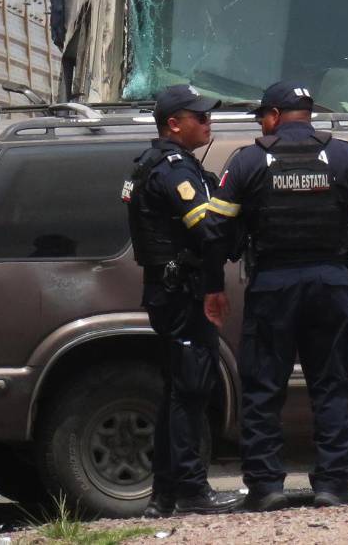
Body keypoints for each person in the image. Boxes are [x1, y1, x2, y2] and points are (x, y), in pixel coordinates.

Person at [202, 81, 348, 511]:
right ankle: (332, 485)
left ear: (273, 115)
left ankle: (266, 487)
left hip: (273, 285)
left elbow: (215, 230)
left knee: (263, 387)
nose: (261, 125)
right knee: (331, 385)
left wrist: (214, 287)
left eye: (261, 118)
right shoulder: (345, 156)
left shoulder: (250, 160)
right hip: (330, 283)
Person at [122, 84, 242, 518]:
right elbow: (208, 232)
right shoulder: (174, 170)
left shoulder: (155, 163)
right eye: (201, 117)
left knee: (178, 392)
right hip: (181, 294)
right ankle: (191, 491)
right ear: (175, 123)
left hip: (171, 291)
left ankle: (164, 496)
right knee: (190, 392)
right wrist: (237, 237)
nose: (209, 123)